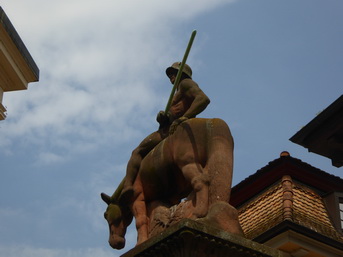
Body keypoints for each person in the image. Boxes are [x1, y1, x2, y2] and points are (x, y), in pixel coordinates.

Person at [119, 62, 210, 203]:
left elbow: (203, 99)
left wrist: (185, 117)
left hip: (171, 131)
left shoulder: (186, 83)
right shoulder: (178, 91)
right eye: (169, 74)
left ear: (183, 73)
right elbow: (173, 114)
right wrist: (164, 117)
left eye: (174, 72)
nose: (171, 76)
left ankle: (128, 186)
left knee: (137, 151)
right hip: (169, 126)